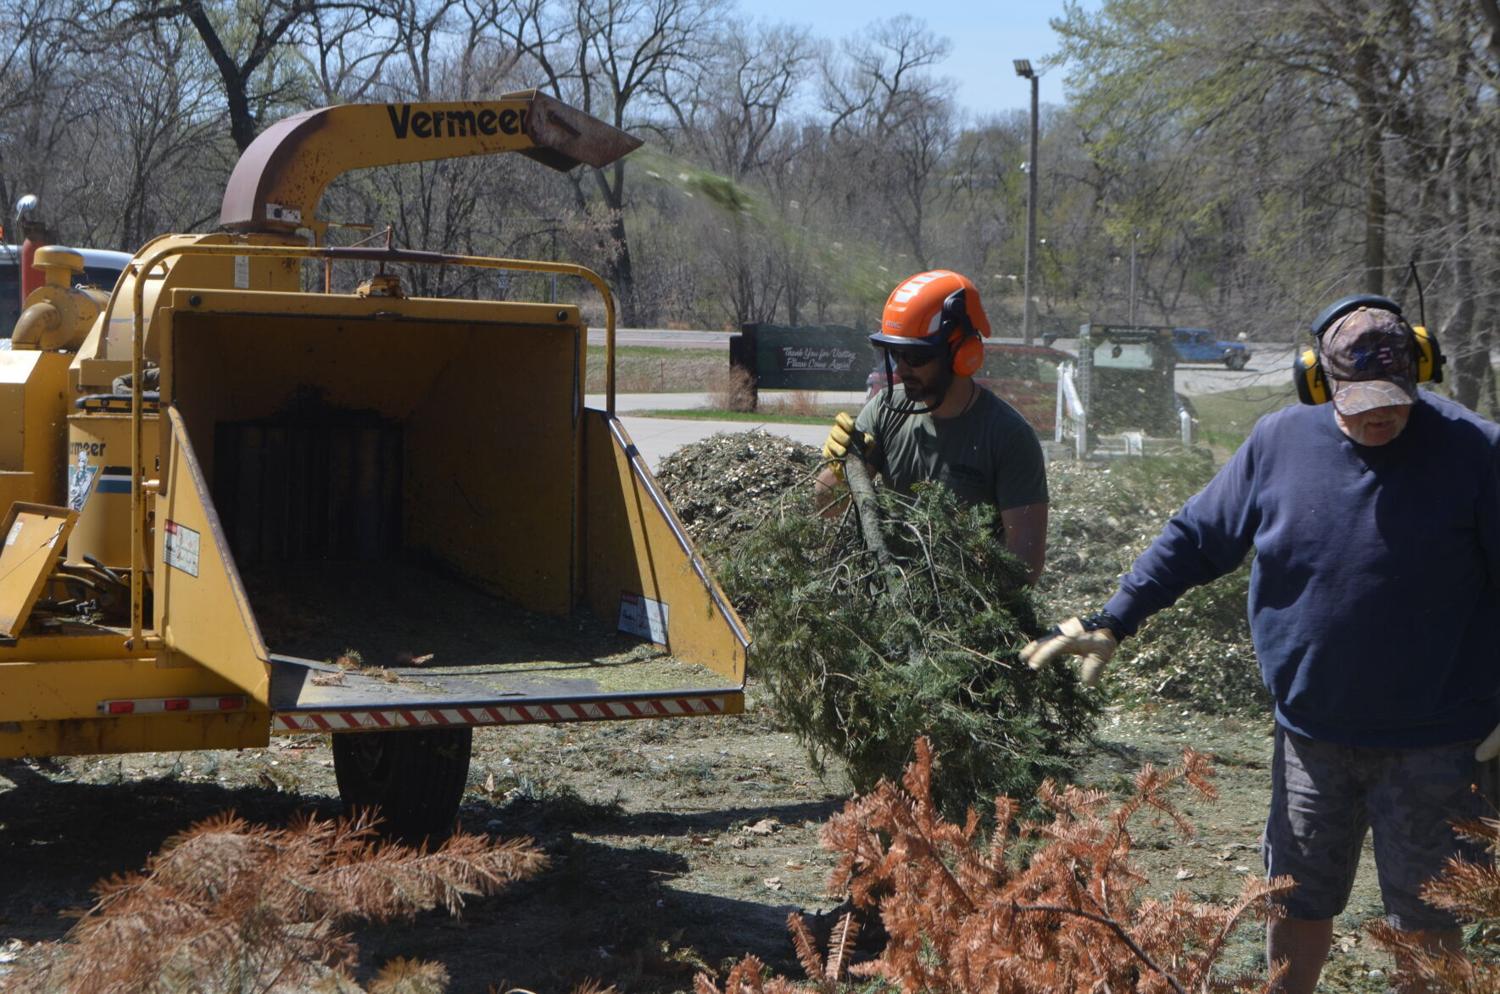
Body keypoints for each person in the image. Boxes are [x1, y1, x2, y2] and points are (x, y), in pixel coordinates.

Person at [1021, 294, 1500, 994]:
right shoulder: (1279, 443)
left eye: (1394, 396)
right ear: (1320, 380)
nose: (1379, 413)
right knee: (1294, 899)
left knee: (1429, 920)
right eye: (1360, 398)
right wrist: (1116, 617)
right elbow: (1194, 539)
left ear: (1420, 371)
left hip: (1440, 744)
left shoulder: (1478, 452)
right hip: (1312, 739)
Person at [815, 270, 1049, 584]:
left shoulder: (1008, 437)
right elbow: (826, 508)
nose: (902, 368)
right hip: (894, 596)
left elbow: (1024, 568)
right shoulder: (885, 411)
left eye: (916, 356)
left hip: (972, 609)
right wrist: (838, 470)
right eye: (897, 354)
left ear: (962, 353)